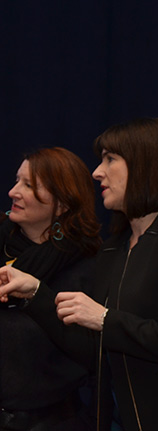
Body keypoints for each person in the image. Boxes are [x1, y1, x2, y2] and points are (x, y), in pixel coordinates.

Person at [0, 118, 158, 430]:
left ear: (145, 165)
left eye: (111, 159)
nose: (98, 172)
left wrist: (105, 319)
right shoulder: (115, 249)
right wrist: (36, 293)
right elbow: (92, 353)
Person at [0, 147, 101, 431]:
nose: (12, 191)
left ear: (63, 204)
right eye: (17, 180)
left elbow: (95, 357)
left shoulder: (87, 266)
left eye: (29, 185)